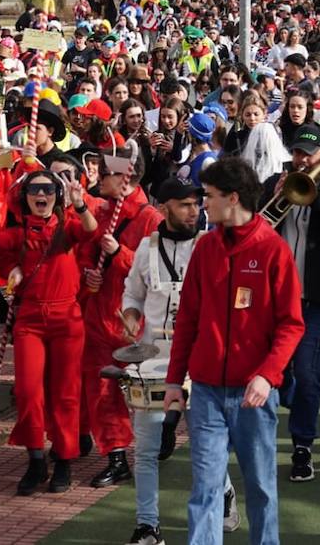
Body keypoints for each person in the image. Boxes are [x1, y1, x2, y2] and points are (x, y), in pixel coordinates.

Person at [165, 156, 305, 545]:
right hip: (206, 391)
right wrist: (175, 381)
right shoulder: (206, 248)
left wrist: (267, 374)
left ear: (233, 198)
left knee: (260, 488)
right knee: (205, 489)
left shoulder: (274, 251)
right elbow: (188, 320)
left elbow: (291, 325)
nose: (202, 205)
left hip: (253, 394)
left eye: (208, 196)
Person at [120, 178, 240, 545]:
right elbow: (132, 293)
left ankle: (224, 493)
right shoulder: (146, 248)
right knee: (145, 448)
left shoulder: (212, 245)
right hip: (154, 359)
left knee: (206, 445)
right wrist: (130, 317)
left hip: (202, 359)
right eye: (186, 205)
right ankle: (147, 525)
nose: (195, 211)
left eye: (198, 203)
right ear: (165, 206)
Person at [260, 123, 320, 481]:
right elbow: (255, 228)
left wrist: (316, 195)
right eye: (298, 152)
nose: (302, 159)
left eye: (309, 153)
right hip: (274, 299)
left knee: (308, 373)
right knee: (277, 371)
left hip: (316, 298)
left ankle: (302, 445)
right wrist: (269, 198)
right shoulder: (276, 183)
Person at [0, 168, 97, 495]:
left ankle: (64, 459)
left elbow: (92, 232)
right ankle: (36, 458)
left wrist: (80, 205)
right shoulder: (17, 232)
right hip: (30, 322)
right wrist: (12, 273)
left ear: (57, 195)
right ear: (25, 197)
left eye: (48, 190)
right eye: (35, 190)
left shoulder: (68, 227)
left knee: (66, 392)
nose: (42, 196)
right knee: (26, 390)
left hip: (67, 319)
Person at [77, 150, 164, 488]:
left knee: (146, 397)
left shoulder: (151, 218)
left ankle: (159, 438)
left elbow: (157, 273)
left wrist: (120, 254)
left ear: (127, 177)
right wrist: (89, 276)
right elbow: (86, 255)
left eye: (107, 172)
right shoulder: (100, 212)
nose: (100, 176)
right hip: (101, 318)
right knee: (101, 389)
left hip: (137, 325)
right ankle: (116, 456)